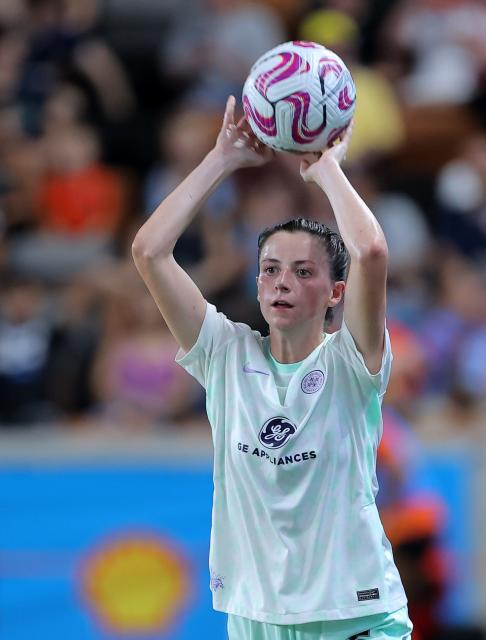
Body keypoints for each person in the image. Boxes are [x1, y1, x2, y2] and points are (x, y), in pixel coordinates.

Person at [131, 96, 412, 639]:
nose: (282, 281)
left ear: (335, 292)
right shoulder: (224, 354)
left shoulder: (351, 360)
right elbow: (149, 251)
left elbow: (371, 251)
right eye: (270, 269)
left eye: (303, 271)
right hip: (257, 616)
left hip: (355, 613)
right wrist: (222, 159)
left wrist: (324, 166)